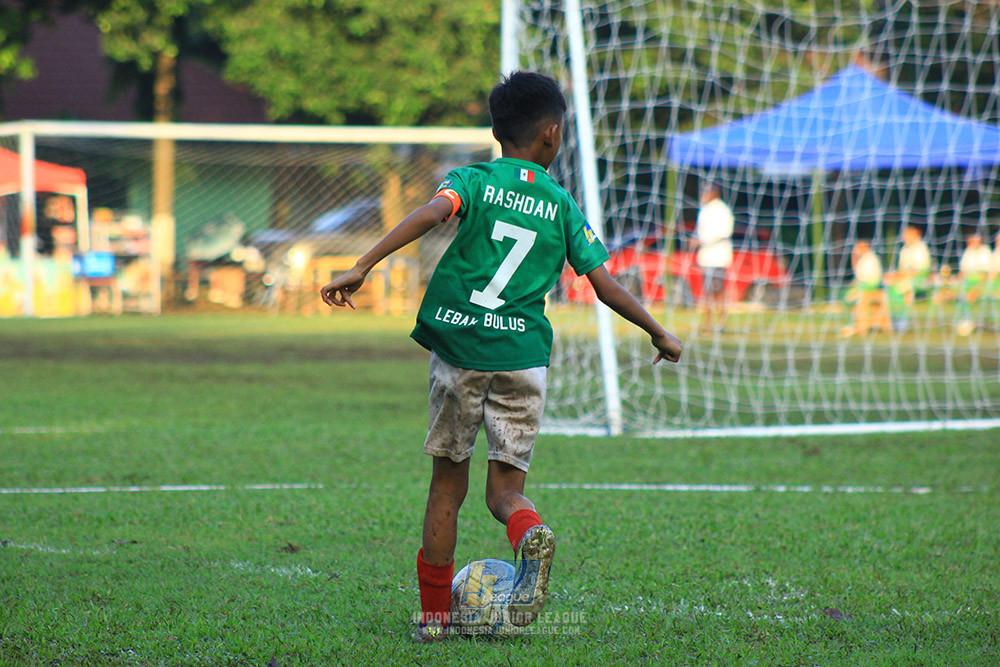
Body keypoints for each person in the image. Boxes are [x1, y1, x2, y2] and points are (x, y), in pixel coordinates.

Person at [319, 71, 682, 642]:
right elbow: (605, 286)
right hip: (524, 357)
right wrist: (659, 332)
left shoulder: (473, 180)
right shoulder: (562, 205)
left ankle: (436, 621)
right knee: (504, 491)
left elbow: (431, 214)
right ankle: (527, 532)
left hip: (462, 348)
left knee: (447, 488)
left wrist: (363, 264)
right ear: (553, 135)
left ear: (495, 131)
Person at [692, 184, 734, 333]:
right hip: (706, 258)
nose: (702, 194)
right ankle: (708, 323)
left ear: (714, 193)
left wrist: (702, 241)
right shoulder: (704, 209)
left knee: (718, 290)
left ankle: (723, 323)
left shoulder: (722, 210)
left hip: (718, 257)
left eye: (705, 192)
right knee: (707, 291)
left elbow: (724, 234)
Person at [887, 226, 932, 330]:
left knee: (900, 289)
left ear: (916, 235)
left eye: (908, 235)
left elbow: (919, 271)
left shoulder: (921, 248)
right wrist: (894, 276)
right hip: (905, 277)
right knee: (889, 285)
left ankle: (902, 321)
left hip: (920, 279)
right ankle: (893, 319)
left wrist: (901, 276)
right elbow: (901, 268)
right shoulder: (904, 250)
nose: (905, 237)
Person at [841, 239, 885, 336]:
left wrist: (859, 286)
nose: (856, 251)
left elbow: (872, 278)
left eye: (857, 249)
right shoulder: (863, 259)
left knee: (849, 298)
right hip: (865, 285)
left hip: (871, 287)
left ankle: (857, 325)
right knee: (845, 295)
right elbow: (858, 276)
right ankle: (853, 324)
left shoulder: (870, 259)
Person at [956, 233, 992, 335]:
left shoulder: (985, 252)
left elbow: (985, 275)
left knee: (969, 295)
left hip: (980, 282)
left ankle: (968, 322)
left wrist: (976, 289)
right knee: (956, 293)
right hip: (967, 281)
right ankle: (963, 321)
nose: (970, 243)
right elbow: (962, 271)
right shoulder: (968, 251)